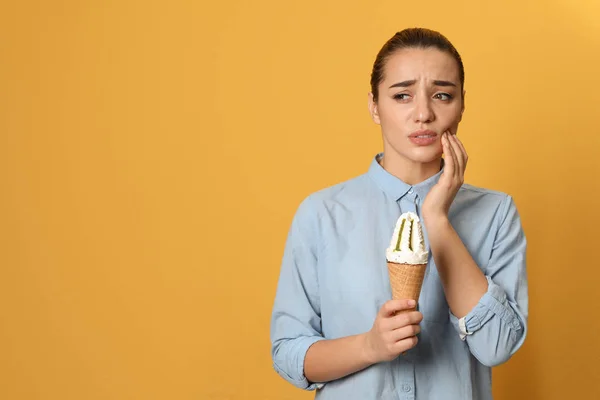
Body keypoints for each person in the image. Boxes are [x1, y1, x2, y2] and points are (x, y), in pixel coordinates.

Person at [270, 27, 528, 400]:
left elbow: (496, 346)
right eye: (402, 95)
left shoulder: (495, 213)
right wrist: (369, 346)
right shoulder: (322, 214)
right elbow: (289, 353)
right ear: (374, 106)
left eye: (442, 95)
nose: (423, 113)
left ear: (462, 104)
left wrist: (437, 218)